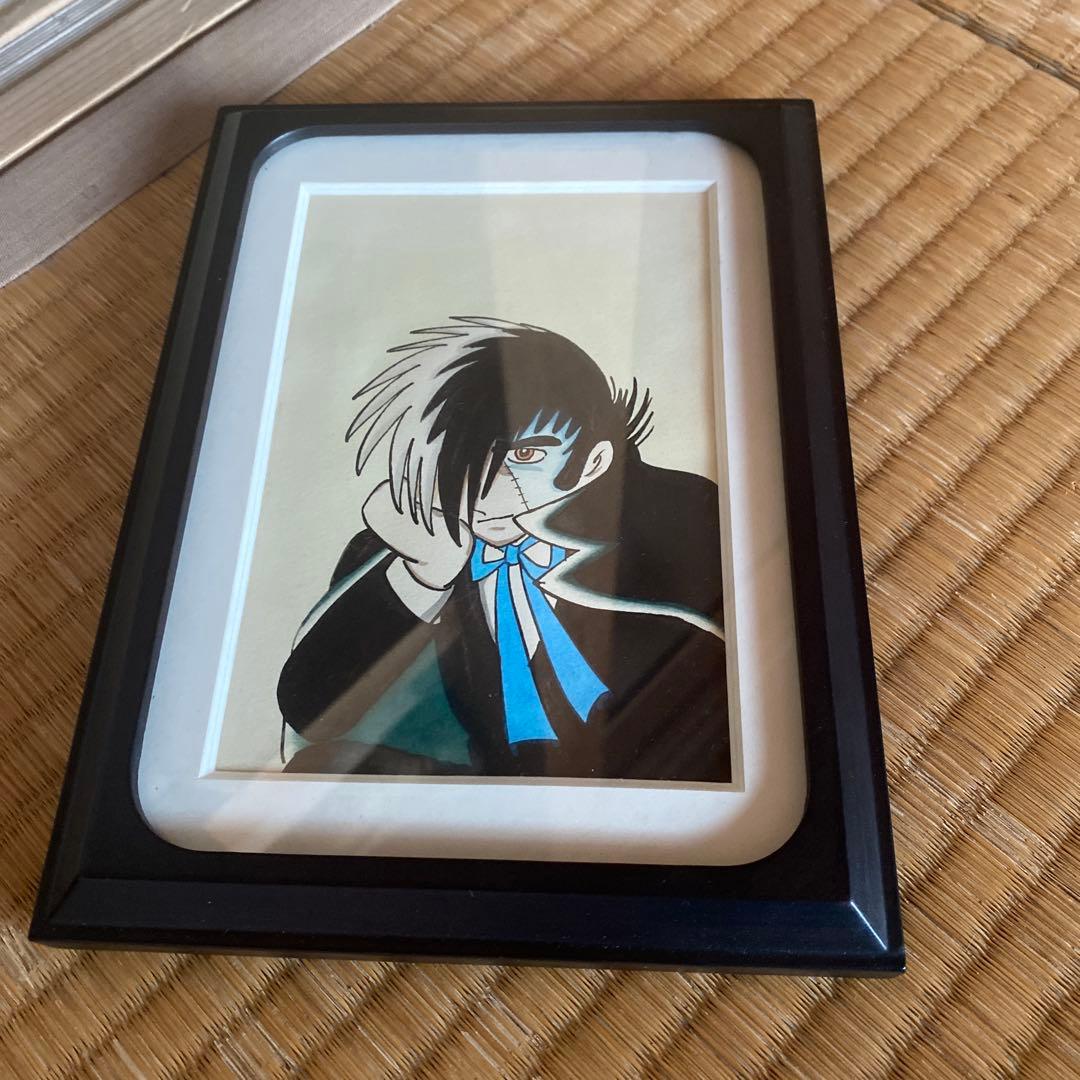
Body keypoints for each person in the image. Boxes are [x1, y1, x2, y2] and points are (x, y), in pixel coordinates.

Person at [277, 317, 730, 781]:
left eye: (526, 456)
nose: (484, 489)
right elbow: (311, 715)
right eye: (456, 456)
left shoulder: (679, 512)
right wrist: (423, 575)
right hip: (498, 792)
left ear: (594, 461)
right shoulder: (401, 547)